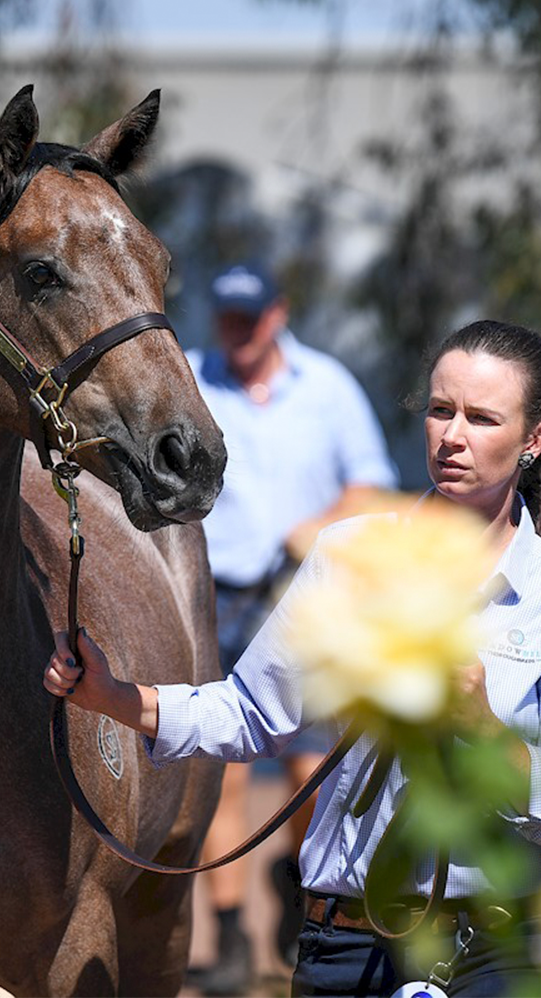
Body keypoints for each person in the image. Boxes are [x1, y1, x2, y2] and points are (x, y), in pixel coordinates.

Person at [44, 320, 541, 998]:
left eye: (482, 418)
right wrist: (116, 697)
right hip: (341, 946)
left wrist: (484, 727)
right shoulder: (350, 554)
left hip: (495, 955)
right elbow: (252, 713)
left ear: (534, 440)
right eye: (441, 411)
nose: (453, 436)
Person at [184, 260, 399, 992]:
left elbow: (370, 485)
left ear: (278, 315)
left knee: (315, 772)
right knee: (225, 769)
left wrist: (317, 527)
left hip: (303, 597)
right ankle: (236, 932)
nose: (237, 332)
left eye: (250, 318)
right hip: (214, 596)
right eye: (226, 318)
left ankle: (293, 876)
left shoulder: (329, 387)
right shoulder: (189, 374)